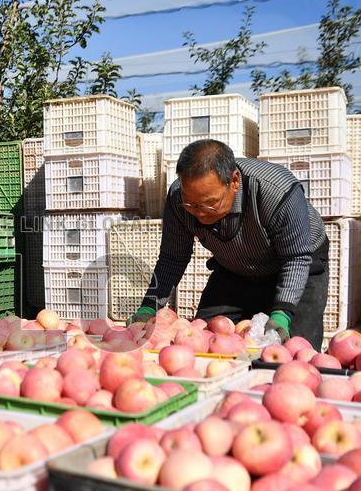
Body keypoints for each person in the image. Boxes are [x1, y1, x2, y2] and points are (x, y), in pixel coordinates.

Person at [130, 138, 329, 348]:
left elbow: (295, 258)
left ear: (234, 181)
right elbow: (172, 258)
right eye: (191, 204)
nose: (199, 213)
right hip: (234, 269)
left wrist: (282, 314)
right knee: (205, 339)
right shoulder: (179, 199)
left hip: (296, 267)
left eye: (210, 204)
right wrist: (149, 306)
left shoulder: (276, 191)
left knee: (293, 351)